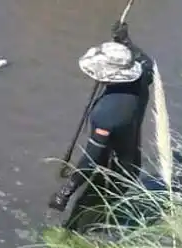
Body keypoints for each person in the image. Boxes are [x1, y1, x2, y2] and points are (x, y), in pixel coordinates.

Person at [48, 21, 155, 221]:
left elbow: (91, 158)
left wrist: (66, 191)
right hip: (131, 159)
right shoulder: (142, 79)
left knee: (89, 211)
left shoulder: (106, 114)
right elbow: (147, 62)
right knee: (111, 204)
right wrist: (126, 41)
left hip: (111, 170)